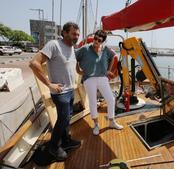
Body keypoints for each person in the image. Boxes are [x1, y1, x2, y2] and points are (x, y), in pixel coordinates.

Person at [29, 22, 81, 161]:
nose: (76, 36)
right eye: (73, 33)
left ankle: (66, 141)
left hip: (70, 90)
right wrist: (49, 84)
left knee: (67, 118)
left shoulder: (71, 48)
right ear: (64, 32)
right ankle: (53, 147)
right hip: (60, 93)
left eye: (77, 34)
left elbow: (71, 66)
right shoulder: (54, 45)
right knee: (63, 119)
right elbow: (34, 63)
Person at [76, 30, 123, 135]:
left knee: (111, 99)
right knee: (93, 102)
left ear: (103, 41)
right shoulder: (85, 49)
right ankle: (96, 125)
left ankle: (111, 121)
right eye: (95, 38)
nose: (96, 41)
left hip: (102, 78)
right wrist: (78, 70)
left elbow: (115, 56)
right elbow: (74, 57)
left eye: (99, 40)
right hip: (89, 79)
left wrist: (109, 71)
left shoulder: (106, 50)